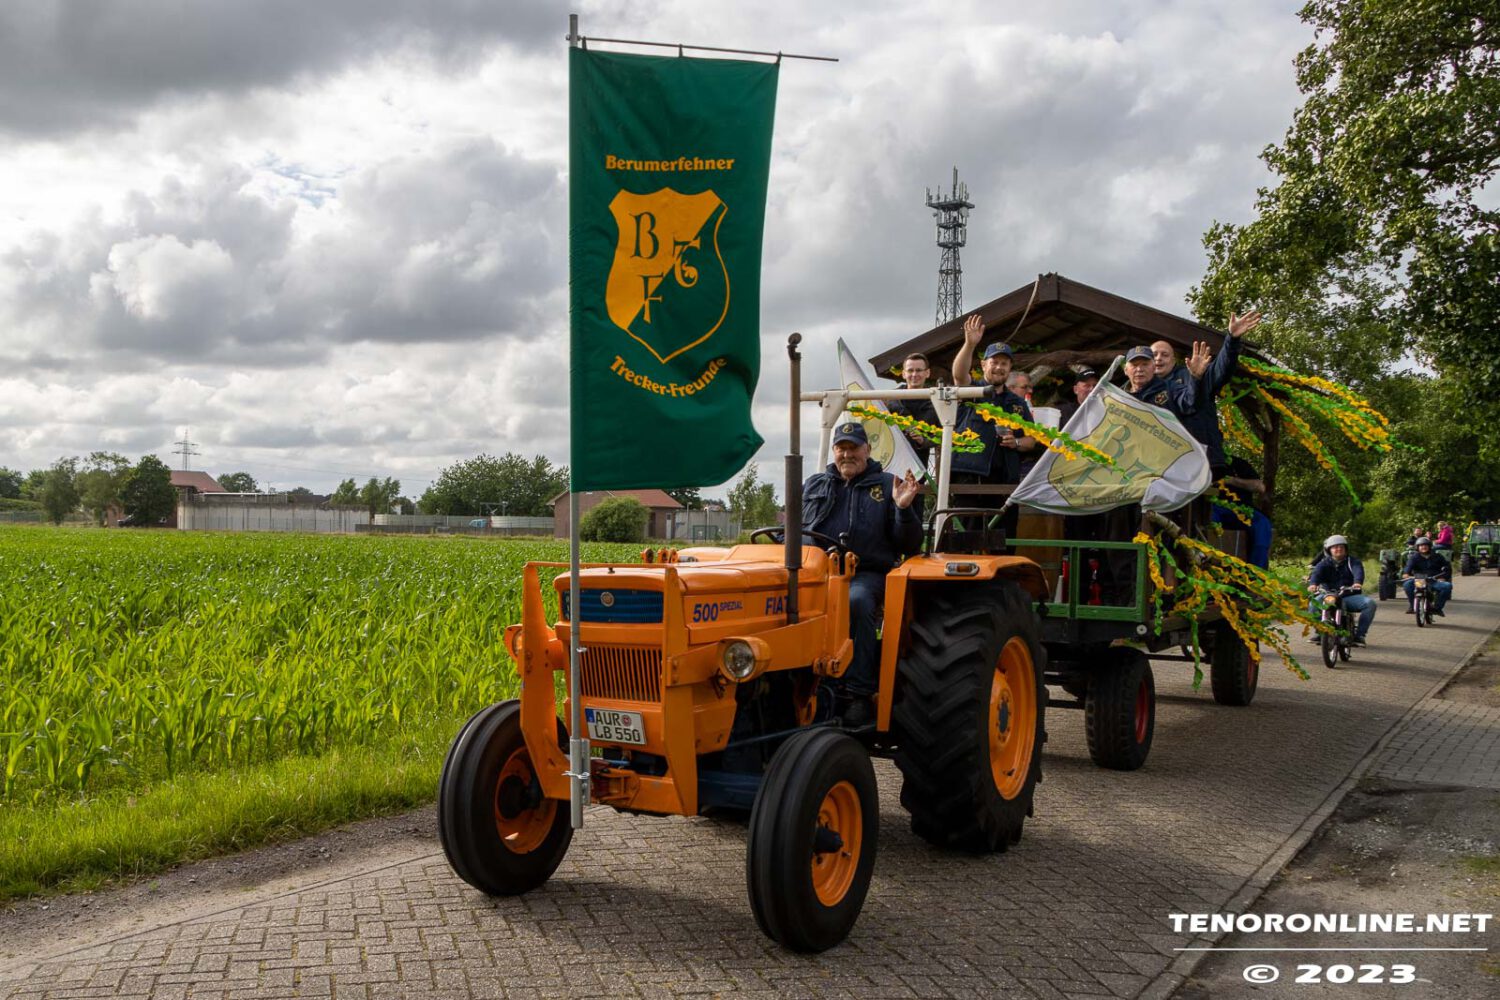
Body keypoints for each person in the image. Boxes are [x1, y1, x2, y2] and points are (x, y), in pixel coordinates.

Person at [802, 421, 922, 725]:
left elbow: (908, 543)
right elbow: (798, 529)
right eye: (841, 448)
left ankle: (857, 693)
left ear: (867, 450)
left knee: (854, 602)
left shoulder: (887, 485)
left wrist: (904, 510)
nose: (847, 454)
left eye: (853, 448)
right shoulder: (816, 484)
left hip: (867, 573)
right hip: (816, 571)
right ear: (834, 451)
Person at [1152, 310, 1260, 478]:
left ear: (1174, 361)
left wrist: (1231, 339)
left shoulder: (1191, 375)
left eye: (1164, 355)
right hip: (1160, 465)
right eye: (1154, 355)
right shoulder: (1139, 389)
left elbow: (1220, 371)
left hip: (1202, 461)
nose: (1158, 358)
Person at [950, 314, 1036, 521]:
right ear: (983, 365)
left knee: (1002, 543)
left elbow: (1031, 440)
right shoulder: (972, 391)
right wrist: (969, 344)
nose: (999, 367)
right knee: (965, 542)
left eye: (1004, 363)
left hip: (1005, 484)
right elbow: (959, 376)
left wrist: (1015, 442)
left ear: (1009, 369)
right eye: (994, 362)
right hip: (969, 480)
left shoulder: (1017, 403)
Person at [1307, 534, 1375, 645]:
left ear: (1345, 549)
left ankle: (1360, 635)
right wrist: (1313, 584)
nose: (1338, 549)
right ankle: (1320, 632)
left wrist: (1357, 583)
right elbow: (1316, 574)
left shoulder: (1353, 561)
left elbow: (1358, 571)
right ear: (1329, 550)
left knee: (1370, 604)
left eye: (1341, 547)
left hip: (1348, 596)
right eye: (1335, 547)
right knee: (1313, 605)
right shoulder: (1323, 563)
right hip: (1327, 595)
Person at [889, 352, 938, 469]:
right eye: (910, 370)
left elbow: (944, 435)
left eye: (919, 370)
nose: (914, 374)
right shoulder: (889, 400)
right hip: (891, 466)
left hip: (918, 469)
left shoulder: (936, 403)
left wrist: (923, 441)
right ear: (903, 374)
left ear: (927, 373)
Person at [1401, 536, 1452, 616]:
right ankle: (1412, 605)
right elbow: (1408, 567)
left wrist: (1443, 577)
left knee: (1447, 586)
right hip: (1420, 580)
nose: (1423, 547)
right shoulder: (1414, 557)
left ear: (1429, 546)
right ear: (1417, 547)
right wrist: (1406, 573)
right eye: (1421, 545)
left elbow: (1447, 568)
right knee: (1407, 585)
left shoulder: (1438, 556)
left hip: (1434, 580)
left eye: (1425, 545)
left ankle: (1437, 608)